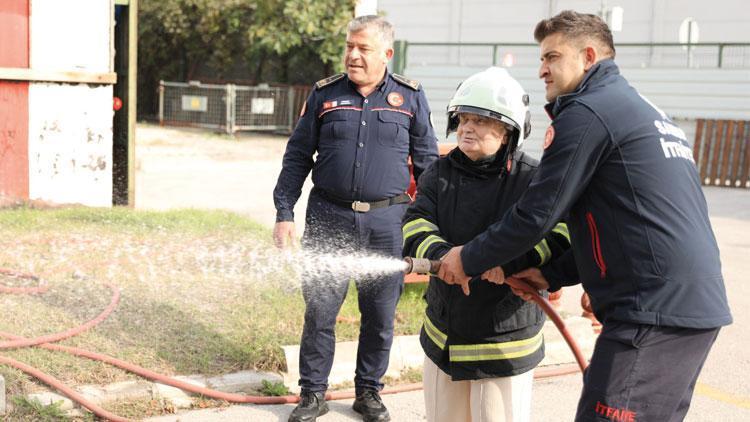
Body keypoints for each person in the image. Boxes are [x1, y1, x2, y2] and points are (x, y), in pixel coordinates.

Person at [437, 10, 732, 421]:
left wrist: (467, 258)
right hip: (684, 308)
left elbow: (536, 214)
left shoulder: (588, 112)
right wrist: (549, 274)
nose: (541, 70)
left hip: (650, 312)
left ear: (588, 55)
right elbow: (622, 223)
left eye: (552, 57)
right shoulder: (636, 108)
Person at [273, 15, 439, 422]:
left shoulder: (410, 97)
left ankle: (369, 392)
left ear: (386, 53)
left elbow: (430, 164)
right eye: (349, 46)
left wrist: (430, 223)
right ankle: (312, 393)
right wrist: (284, 212)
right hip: (329, 217)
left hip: (388, 224)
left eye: (363, 48)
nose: (353, 55)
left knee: (380, 315)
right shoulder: (324, 95)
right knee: (320, 312)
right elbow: (298, 156)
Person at [402, 67, 570, 422]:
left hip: (503, 342)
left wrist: (509, 263)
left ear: (508, 129)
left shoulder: (533, 179)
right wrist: (442, 256)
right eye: (463, 118)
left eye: (480, 120)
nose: (466, 127)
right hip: (445, 334)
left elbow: (560, 235)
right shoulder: (439, 172)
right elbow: (415, 223)